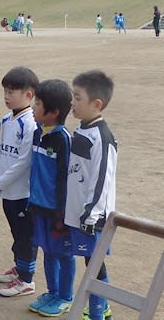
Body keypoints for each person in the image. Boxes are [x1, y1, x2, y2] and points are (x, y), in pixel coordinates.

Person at [65, 71, 117, 320]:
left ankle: (99, 311)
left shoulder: (102, 138)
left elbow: (101, 180)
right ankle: (101, 307)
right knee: (90, 262)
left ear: (97, 104)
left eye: (77, 98)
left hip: (92, 218)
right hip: (78, 213)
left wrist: (90, 215)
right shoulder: (81, 129)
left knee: (94, 266)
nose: (72, 103)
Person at [0, 67, 39, 297]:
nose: (7, 97)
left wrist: (2, 181)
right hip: (7, 189)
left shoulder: (30, 123)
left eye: (12, 92)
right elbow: (3, 153)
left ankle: (27, 280)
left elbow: (24, 161)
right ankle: (19, 269)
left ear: (28, 95)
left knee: (25, 236)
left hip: (23, 192)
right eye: (5, 92)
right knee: (16, 233)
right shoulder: (7, 119)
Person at [27, 79, 76, 317]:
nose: (34, 108)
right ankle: (52, 291)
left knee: (63, 253)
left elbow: (65, 179)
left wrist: (62, 213)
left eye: (38, 104)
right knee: (47, 250)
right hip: (38, 206)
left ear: (54, 112)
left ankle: (65, 296)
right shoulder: (38, 133)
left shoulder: (63, 139)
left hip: (57, 211)